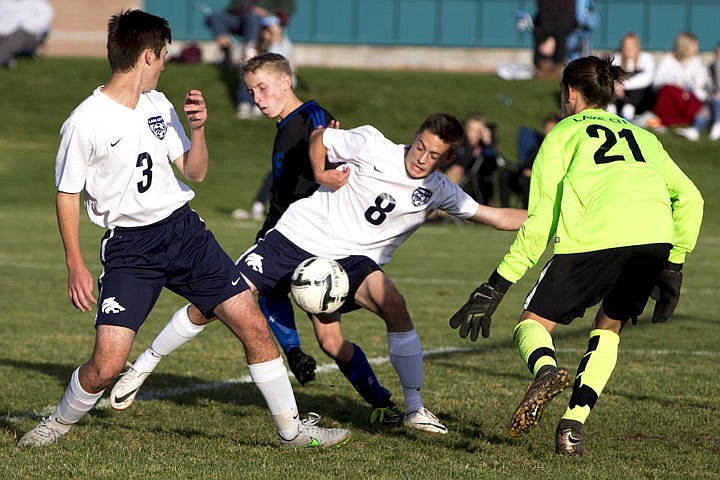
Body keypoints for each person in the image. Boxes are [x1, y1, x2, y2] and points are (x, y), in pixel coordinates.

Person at [16, 10, 349, 449]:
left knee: (252, 325)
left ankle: (292, 432)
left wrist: (199, 129)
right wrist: (74, 264)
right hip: (131, 249)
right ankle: (56, 424)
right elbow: (66, 194)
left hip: (185, 234)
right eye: (163, 56)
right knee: (105, 366)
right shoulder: (85, 121)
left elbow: (195, 172)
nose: (166, 64)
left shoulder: (159, 104)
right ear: (147, 55)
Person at [111, 112, 528, 433]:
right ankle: (144, 365)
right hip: (294, 238)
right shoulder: (371, 143)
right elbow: (320, 137)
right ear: (415, 137)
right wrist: (321, 171)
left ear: (447, 158)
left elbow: (494, 215)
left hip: (351, 261)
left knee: (384, 311)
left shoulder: (440, 190)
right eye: (420, 146)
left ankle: (413, 407)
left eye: (433, 155)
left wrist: (552, 219)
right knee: (215, 302)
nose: (421, 158)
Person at [449, 56, 703, 455]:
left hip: (594, 238)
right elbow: (690, 197)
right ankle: (572, 429)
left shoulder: (563, 134)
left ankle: (546, 372)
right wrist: (674, 262)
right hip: (653, 240)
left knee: (532, 324)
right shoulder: (645, 138)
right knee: (609, 327)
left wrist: (496, 285)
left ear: (569, 92)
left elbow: (540, 222)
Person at [114, 53, 335, 407]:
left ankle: (399, 407)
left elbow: (327, 141)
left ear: (285, 81)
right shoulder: (284, 126)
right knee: (214, 304)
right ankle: (143, 365)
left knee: (334, 338)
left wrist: (326, 166)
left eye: (262, 89)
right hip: (276, 238)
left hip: (312, 237)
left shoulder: (313, 116)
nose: (257, 99)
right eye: (251, 92)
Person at [652, 31, 713, 140]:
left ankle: (687, 122)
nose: (696, 50)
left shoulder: (696, 61)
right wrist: (676, 80)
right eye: (694, 46)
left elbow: (701, 82)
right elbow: (657, 80)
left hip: (688, 98)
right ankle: (664, 121)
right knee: (668, 90)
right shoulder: (669, 59)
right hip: (673, 96)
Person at [202, 0, 295, 67]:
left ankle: (249, 52)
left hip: (265, 20)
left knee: (252, 18)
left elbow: (287, 8)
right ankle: (226, 51)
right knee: (215, 16)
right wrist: (246, 7)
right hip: (242, 18)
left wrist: (266, 11)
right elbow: (233, 7)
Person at [497, 113, 561, 208]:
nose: (547, 133)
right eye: (546, 129)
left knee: (525, 180)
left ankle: (528, 210)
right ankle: (505, 209)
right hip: (527, 177)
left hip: (545, 182)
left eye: (551, 129)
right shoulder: (538, 147)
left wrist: (535, 173)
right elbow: (527, 164)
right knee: (505, 174)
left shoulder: (560, 148)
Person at [236, 14, 294, 119]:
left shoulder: (284, 44)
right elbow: (246, 63)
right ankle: (245, 104)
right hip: (258, 76)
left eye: (270, 31)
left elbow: (276, 64)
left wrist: (275, 39)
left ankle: (260, 106)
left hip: (276, 76)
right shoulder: (254, 43)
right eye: (265, 30)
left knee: (265, 80)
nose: (267, 34)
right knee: (247, 76)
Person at [441, 112, 498, 206]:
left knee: (457, 169)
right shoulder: (460, 142)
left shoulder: (485, 148)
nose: (473, 134)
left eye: (478, 131)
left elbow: (491, 164)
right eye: (470, 130)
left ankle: (440, 209)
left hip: (467, 178)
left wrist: (488, 142)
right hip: (445, 171)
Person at [607, 32, 656, 122]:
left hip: (641, 101)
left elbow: (647, 79)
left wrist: (623, 85)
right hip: (619, 99)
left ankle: (628, 112)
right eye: (626, 46)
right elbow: (607, 76)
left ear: (638, 47)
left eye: (632, 46)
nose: (629, 49)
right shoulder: (616, 57)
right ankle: (611, 112)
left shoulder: (646, 58)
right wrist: (616, 85)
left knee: (638, 78)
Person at [532, 0, 577, 80]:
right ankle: (542, 66)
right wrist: (550, 36)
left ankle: (557, 67)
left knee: (561, 34)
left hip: (566, 27)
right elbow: (544, 17)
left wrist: (552, 38)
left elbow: (568, 19)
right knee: (539, 31)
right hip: (547, 28)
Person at [0, 0, 53, 67]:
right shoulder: (5, 2)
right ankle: (5, 60)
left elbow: (45, 17)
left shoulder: (37, 3)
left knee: (12, 41)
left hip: (26, 33)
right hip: (5, 31)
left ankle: (3, 57)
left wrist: (24, 26)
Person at [708, 41, 720, 141]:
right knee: (705, 109)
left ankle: (717, 124)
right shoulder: (712, 65)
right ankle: (695, 130)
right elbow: (710, 84)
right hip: (714, 97)